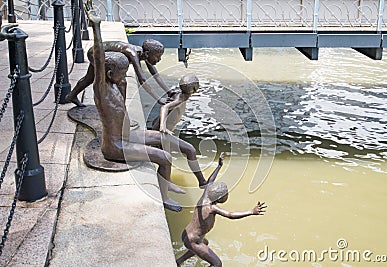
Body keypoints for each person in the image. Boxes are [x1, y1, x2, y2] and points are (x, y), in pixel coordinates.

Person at [83, 0, 208, 212]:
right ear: (110, 74)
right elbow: (98, 59)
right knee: (164, 157)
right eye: (123, 73)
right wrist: (96, 27)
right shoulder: (102, 90)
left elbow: (145, 74)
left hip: (127, 136)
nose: (125, 77)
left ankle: (171, 180)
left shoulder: (117, 85)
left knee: (166, 140)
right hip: (115, 146)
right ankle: (164, 197)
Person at [176, 153, 267, 266]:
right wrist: (251, 212)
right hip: (193, 240)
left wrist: (219, 166)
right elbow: (230, 214)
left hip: (187, 235)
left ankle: (178, 261)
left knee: (205, 242)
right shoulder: (212, 208)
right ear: (220, 198)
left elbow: (210, 182)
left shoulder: (205, 197)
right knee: (217, 264)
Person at [66, 37, 172, 107]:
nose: (159, 60)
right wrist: (158, 99)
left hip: (97, 51)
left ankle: (71, 96)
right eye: (158, 57)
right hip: (96, 53)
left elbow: (156, 76)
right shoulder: (133, 54)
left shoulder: (144, 55)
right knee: (121, 82)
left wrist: (169, 92)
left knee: (88, 79)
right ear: (148, 53)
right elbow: (142, 79)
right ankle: (121, 110)